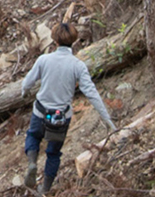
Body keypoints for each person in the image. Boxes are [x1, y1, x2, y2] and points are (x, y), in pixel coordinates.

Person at [21, 21, 116, 195]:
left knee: (33, 136)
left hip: (41, 111)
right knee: (53, 153)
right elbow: (92, 93)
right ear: (73, 40)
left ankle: (32, 163)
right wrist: (108, 120)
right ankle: (45, 189)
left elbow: (27, 82)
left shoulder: (44, 60)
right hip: (60, 116)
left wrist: (24, 92)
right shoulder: (77, 65)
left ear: (54, 40)